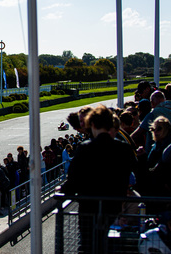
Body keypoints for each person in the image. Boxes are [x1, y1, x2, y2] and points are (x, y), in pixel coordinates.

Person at [60, 104, 136, 253]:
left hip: (89, 208)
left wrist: (63, 190)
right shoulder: (124, 149)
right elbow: (130, 174)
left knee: (88, 245)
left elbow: (73, 181)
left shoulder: (85, 148)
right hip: (114, 207)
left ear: (93, 124)